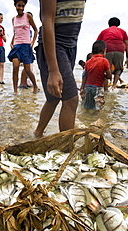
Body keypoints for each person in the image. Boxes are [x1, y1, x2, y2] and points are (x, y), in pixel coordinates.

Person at [34, 0, 86, 138]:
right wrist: (53, 70)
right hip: (54, 45)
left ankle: (37, 133)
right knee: (71, 99)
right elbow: (47, 21)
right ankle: (65, 149)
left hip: (70, 46)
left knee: (54, 97)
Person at [8, 0, 39, 95]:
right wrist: (12, 42)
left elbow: (35, 30)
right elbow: (15, 32)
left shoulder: (28, 16)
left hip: (26, 45)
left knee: (27, 69)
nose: (21, 8)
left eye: (23, 6)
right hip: (17, 46)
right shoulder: (13, 19)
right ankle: (15, 90)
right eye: (19, 6)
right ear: (15, 5)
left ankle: (35, 86)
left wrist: (32, 42)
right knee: (15, 67)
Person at [97, 17, 128, 89]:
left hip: (107, 49)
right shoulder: (122, 31)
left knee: (106, 69)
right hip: (120, 49)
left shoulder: (104, 31)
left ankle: (105, 89)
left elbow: (98, 43)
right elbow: (127, 44)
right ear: (118, 24)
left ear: (109, 24)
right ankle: (114, 86)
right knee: (118, 69)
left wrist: (97, 56)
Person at [80, 40, 112, 110]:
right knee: (98, 107)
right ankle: (95, 119)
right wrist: (105, 76)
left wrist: (82, 88)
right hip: (98, 88)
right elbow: (109, 76)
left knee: (87, 106)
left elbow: (85, 76)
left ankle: (86, 119)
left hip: (88, 88)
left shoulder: (88, 62)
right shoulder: (104, 61)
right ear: (104, 50)